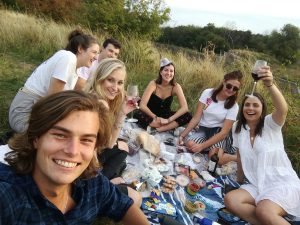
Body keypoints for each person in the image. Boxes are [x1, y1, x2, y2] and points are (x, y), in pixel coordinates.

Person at [0, 90, 149, 225]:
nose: (72, 151)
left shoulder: (92, 183)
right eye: (60, 135)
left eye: (86, 140)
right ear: (35, 138)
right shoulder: (9, 196)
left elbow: (124, 206)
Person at [224, 66, 300, 225]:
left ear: (262, 109)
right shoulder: (238, 128)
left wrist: (270, 84)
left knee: (264, 210)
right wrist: (239, 180)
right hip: (257, 183)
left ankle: (271, 217)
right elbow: (239, 156)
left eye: (255, 105)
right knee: (231, 200)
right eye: (247, 105)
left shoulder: (270, 125)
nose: (250, 108)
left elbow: (282, 109)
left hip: (280, 181)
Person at [8, 29, 99, 133]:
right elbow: (53, 101)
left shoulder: (74, 70)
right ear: (80, 49)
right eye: (94, 52)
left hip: (34, 111)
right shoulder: (68, 58)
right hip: (24, 114)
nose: (96, 57)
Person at [83, 58, 142, 205]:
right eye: (111, 80)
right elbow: (95, 151)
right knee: (136, 199)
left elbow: (108, 143)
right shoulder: (99, 103)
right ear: (100, 78)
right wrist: (104, 180)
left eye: (120, 83)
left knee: (122, 151)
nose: (115, 87)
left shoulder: (100, 98)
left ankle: (113, 177)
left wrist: (122, 112)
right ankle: (110, 183)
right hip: (85, 170)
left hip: (93, 157)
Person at [179, 70, 243, 165]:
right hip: (203, 129)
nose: (231, 90)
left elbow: (224, 133)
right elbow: (196, 118)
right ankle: (210, 148)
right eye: (229, 86)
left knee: (215, 159)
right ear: (224, 82)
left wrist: (201, 146)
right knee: (190, 145)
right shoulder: (208, 93)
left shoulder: (234, 106)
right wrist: (182, 135)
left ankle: (238, 158)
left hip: (218, 133)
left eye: (235, 89)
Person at [134, 58, 192, 132]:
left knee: (187, 115)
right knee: (138, 114)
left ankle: (161, 128)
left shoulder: (176, 86)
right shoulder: (153, 84)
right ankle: (164, 126)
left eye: (171, 71)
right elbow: (142, 105)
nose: (168, 73)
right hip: (151, 115)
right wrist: (155, 117)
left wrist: (169, 120)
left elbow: (185, 108)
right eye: (166, 70)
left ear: (174, 73)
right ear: (161, 72)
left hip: (166, 117)